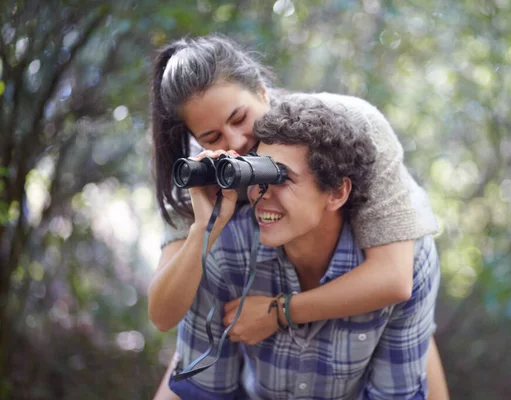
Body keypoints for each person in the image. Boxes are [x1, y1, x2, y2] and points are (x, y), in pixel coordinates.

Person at [148, 35, 449, 399]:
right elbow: (164, 315)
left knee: (405, 326)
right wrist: (204, 229)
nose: (237, 142)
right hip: (252, 310)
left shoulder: (348, 128)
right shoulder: (201, 176)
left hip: (371, 298)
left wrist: (279, 313)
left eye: (240, 118)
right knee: (188, 373)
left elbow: (396, 279)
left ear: (262, 92)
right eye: (212, 136)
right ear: (197, 140)